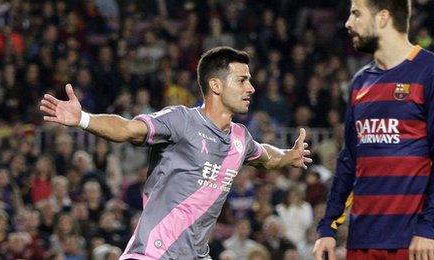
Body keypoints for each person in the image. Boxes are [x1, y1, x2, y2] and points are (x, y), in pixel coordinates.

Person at [40, 46, 312, 259]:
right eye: (242, 81)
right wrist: (83, 119)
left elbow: (265, 156)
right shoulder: (182, 120)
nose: (251, 88)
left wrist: (289, 155)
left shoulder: (241, 138)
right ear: (216, 85)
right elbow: (129, 129)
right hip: (153, 253)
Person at [313, 0, 434, 259]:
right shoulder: (360, 82)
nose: (348, 23)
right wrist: (327, 228)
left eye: (356, 14)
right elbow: (349, 161)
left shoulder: (429, 72)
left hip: (415, 242)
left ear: (382, 17)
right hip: (362, 241)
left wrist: (429, 227)